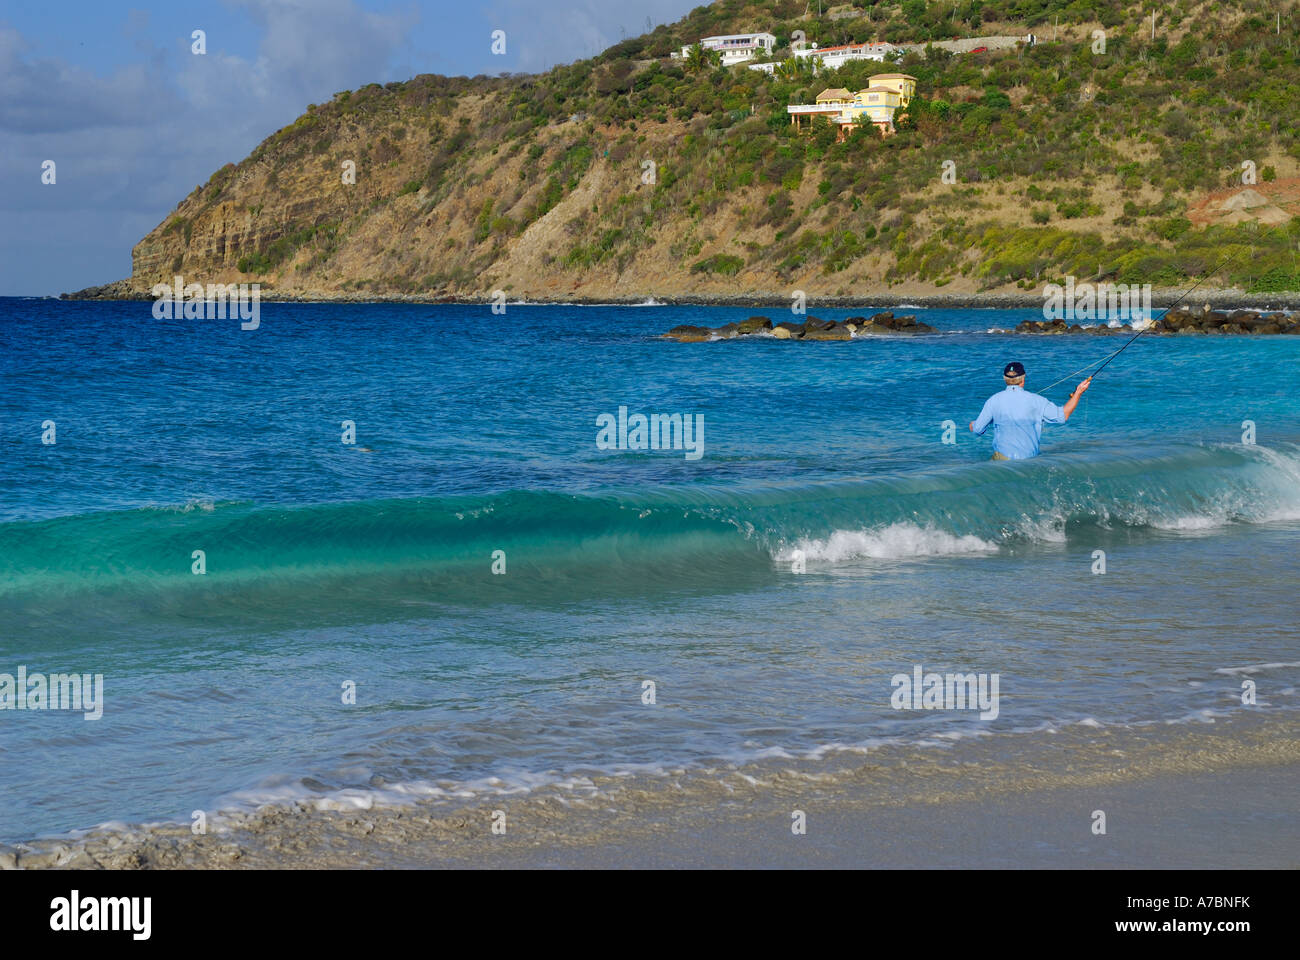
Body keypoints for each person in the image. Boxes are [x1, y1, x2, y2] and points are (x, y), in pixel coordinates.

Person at [969, 362, 1091, 460]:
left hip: (1003, 462)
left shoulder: (993, 400)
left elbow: (977, 429)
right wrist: (1078, 392)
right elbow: (1063, 415)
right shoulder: (1037, 400)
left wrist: (973, 425)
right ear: (1023, 379)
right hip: (1029, 462)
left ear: (1005, 379)